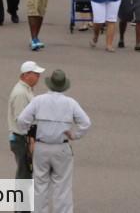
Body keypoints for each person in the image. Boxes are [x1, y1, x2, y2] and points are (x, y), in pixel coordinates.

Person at [15, 69, 89, 213]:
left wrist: (28, 132)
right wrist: (75, 135)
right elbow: (85, 123)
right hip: (61, 148)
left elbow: (22, 120)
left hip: (41, 147)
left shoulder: (39, 100)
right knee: (62, 186)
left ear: (50, 84)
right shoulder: (70, 103)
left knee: (40, 185)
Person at [8, 61, 45, 180]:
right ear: (26, 75)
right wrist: (31, 139)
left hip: (25, 138)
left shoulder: (27, 89)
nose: (38, 77)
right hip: (22, 139)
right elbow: (20, 121)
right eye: (36, 74)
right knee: (24, 173)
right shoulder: (21, 93)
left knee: (27, 172)